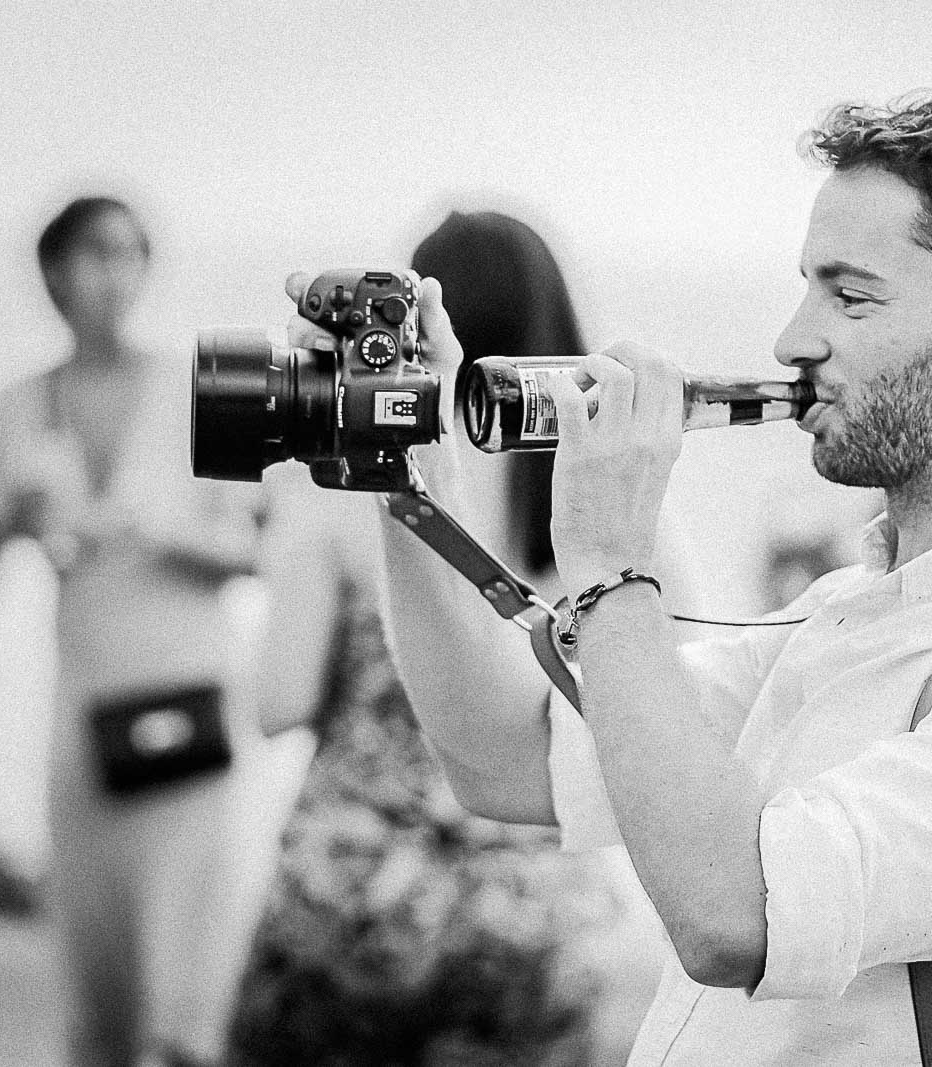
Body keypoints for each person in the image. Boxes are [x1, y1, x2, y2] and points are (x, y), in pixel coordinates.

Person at [342, 86, 932, 1065]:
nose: (791, 339)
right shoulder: (840, 613)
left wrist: (612, 570)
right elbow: (499, 758)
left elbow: (735, 913)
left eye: (849, 294)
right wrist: (402, 468)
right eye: (805, 286)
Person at [229, 211, 671, 1065]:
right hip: (531, 920)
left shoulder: (347, 481)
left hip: (350, 905)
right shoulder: (617, 496)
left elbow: (274, 704)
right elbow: (680, 704)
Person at [0, 196, 265, 1067]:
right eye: (93, 254)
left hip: (197, 717)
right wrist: (10, 517)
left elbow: (261, 550)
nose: (112, 275)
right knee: (98, 999)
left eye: (129, 254)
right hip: (85, 723)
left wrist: (156, 533)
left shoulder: (199, 394)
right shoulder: (9, 413)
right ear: (53, 270)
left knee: (190, 998)